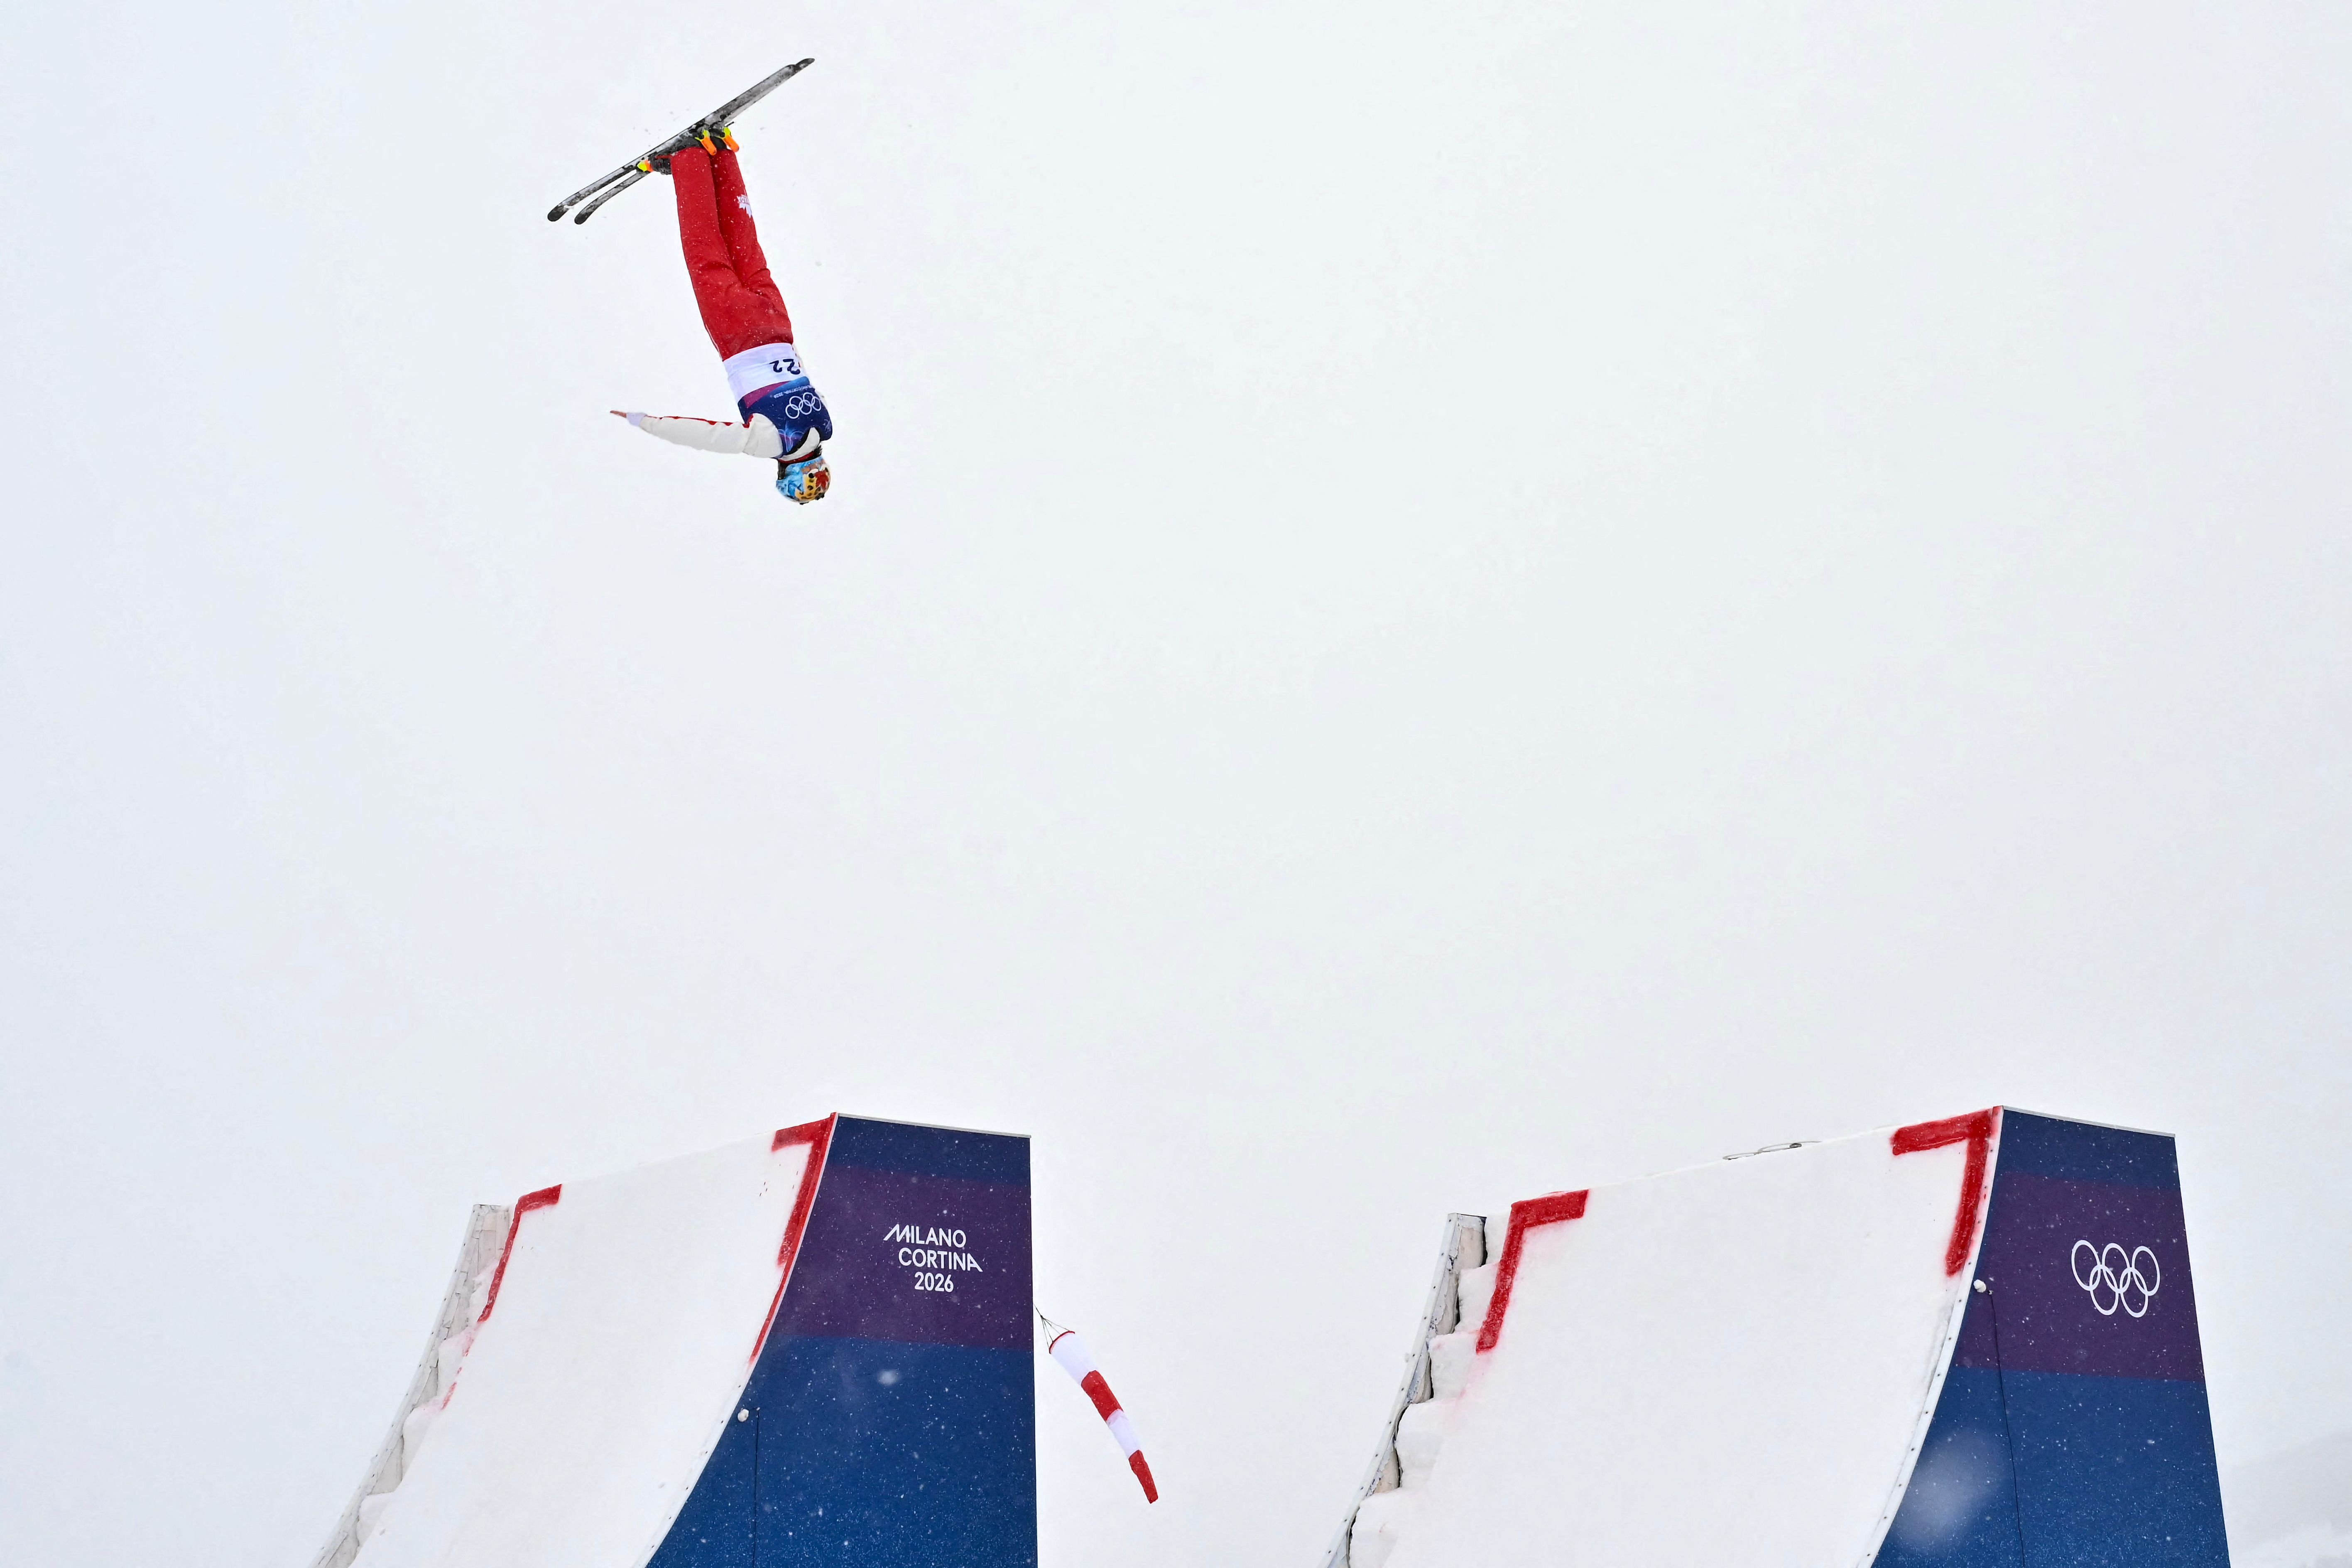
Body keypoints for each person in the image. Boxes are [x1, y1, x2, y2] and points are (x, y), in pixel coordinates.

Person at [611, 132, 833, 504]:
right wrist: (645, 422)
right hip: (738, 334)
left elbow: (803, 376)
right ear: (787, 473)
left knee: (743, 243)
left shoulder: (825, 425)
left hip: (777, 323)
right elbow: (706, 435)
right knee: (705, 251)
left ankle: (720, 155)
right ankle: (688, 161)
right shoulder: (773, 442)